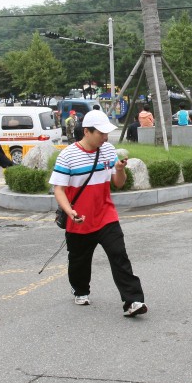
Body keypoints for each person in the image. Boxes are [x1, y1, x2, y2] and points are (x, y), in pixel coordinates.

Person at [50, 109, 147, 317]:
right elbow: (59, 189)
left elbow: (118, 184)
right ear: (87, 131)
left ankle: (133, 300)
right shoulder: (68, 155)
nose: (105, 137)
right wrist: (70, 211)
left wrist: (120, 170)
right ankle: (80, 289)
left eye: (106, 133)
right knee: (79, 261)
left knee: (119, 254)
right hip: (79, 219)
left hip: (106, 216)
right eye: (101, 133)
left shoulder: (109, 150)